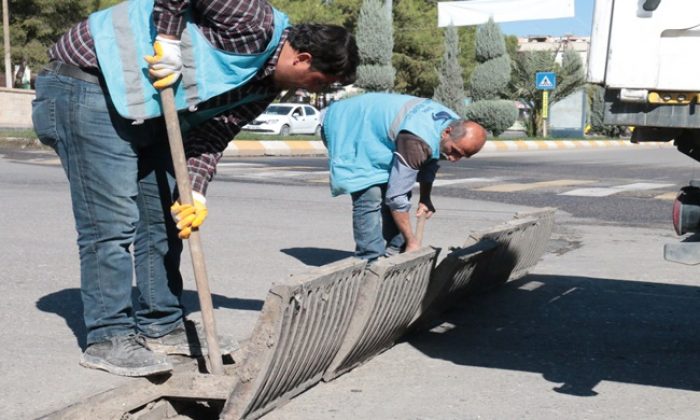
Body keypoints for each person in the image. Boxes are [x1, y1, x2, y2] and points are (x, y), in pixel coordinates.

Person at [31, 0, 358, 378]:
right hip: (87, 85)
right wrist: (167, 39)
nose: (314, 90)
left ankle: (162, 323)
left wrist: (196, 192)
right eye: (320, 82)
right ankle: (108, 336)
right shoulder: (254, 19)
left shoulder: (265, 86)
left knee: (163, 220)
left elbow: (213, 133)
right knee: (112, 223)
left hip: (145, 108)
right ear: (303, 58)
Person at [322, 93, 487, 261]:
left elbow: (429, 161)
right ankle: (369, 260)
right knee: (370, 193)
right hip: (350, 125)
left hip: (376, 130)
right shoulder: (418, 138)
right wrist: (412, 240)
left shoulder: (453, 125)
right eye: (455, 152)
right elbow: (397, 197)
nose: (453, 159)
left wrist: (425, 198)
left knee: (395, 187)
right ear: (447, 132)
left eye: (462, 156)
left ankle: (396, 252)